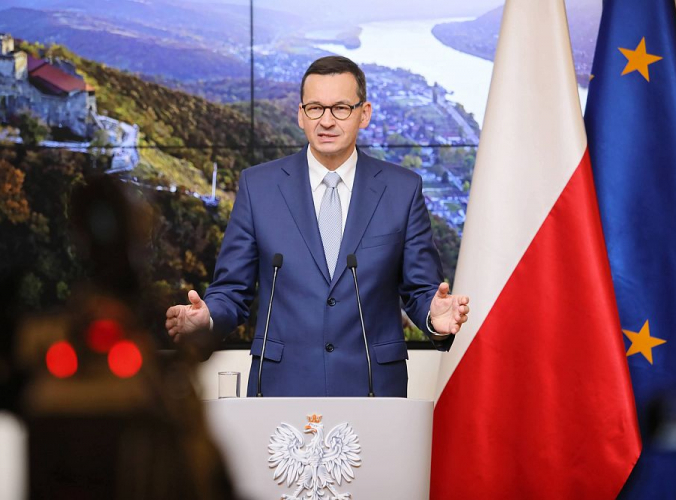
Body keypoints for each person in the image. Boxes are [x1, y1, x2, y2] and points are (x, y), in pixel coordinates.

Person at [166, 56, 469, 397]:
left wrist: (434, 317)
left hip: (373, 389)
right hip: (280, 387)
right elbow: (232, 291)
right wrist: (205, 319)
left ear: (364, 113)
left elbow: (419, 290)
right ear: (300, 114)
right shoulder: (258, 187)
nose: (326, 120)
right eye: (315, 108)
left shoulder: (402, 190)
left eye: (340, 107)